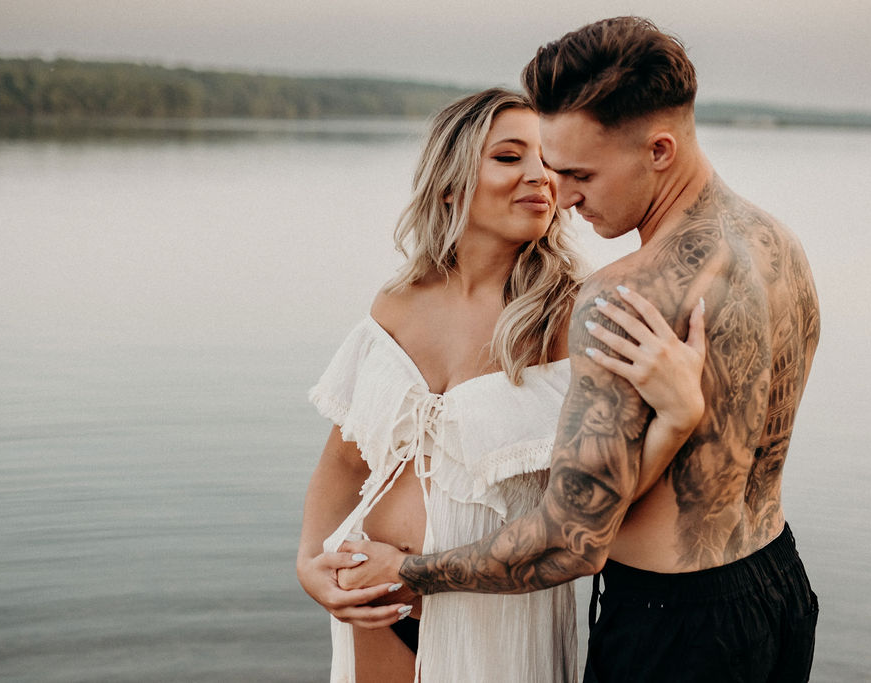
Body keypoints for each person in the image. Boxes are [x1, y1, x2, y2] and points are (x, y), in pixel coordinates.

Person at [340, 16, 822, 682]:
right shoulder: (778, 245)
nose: (562, 197)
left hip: (674, 625)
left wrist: (409, 570)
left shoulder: (620, 296)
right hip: (777, 586)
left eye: (580, 174)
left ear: (659, 150)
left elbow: (571, 541)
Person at [297, 87, 707, 682]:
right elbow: (345, 461)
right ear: (451, 181)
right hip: (372, 593)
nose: (540, 176)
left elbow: (602, 504)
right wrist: (310, 563)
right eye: (510, 157)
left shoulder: (575, 316)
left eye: (548, 160)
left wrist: (675, 420)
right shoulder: (399, 303)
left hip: (492, 612)